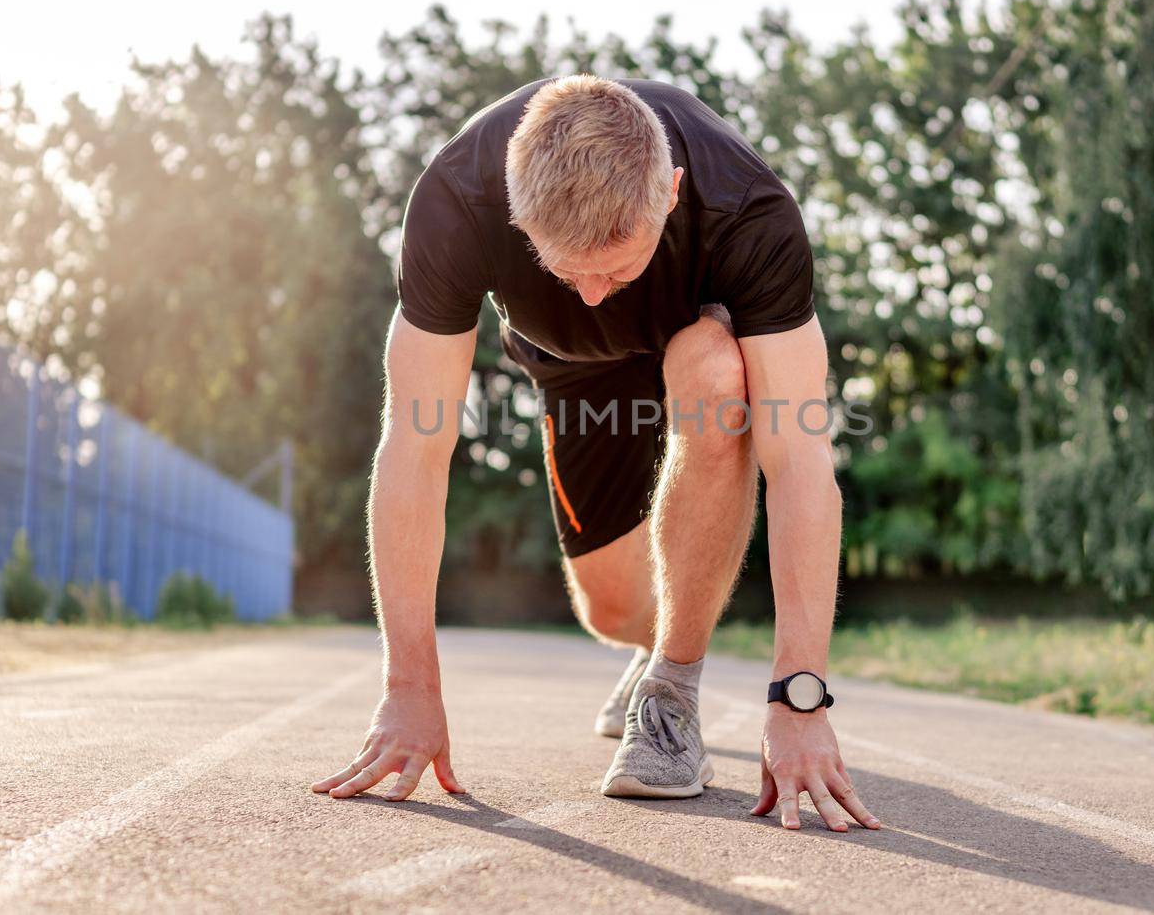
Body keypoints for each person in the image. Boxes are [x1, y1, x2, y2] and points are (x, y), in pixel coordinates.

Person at [310, 75, 879, 832]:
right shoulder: (457, 197)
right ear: (514, 212)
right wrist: (410, 683)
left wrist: (798, 696)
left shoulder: (747, 211)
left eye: (615, 266)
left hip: (695, 333)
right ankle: (652, 650)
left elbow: (801, 461)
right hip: (569, 367)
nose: (591, 294)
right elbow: (416, 447)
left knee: (719, 376)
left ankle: (671, 696)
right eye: (565, 269)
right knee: (610, 607)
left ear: (671, 193)